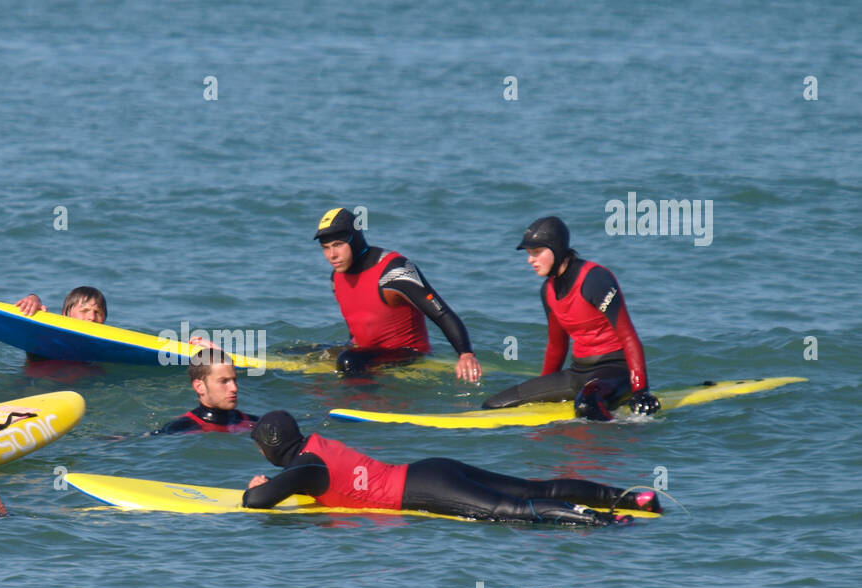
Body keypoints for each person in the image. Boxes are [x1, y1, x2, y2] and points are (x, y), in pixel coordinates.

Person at [242, 411, 660, 526]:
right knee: (533, 487)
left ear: (271, 448)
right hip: (431, 469)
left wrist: (259, 487)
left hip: (420, 490)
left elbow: (259, 501)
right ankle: (628, 496)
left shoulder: (307, 467)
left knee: (508, 512)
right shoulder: (316, 447)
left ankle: (605, 520)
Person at [483, 217, 660, 419]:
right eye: (529, 254)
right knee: (494, 404)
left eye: (536, 253)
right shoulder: (548, 290)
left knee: (586, 406)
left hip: (615, 373)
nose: (530, 260)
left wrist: (640, 390)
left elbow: (628, 336)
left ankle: (614, 440)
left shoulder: (595, 280)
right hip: (578, 374)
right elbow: (557, 346)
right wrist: (544, 391)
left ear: (556, 249)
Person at [314, 207, 482, 380]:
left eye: (338, 245)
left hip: (405, 355)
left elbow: (441, 313)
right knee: (301, 352)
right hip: (365, 353)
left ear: (355, 240)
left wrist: (466, 354)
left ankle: (361, 401)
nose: (331, 255)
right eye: (325, 248)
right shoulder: (337, 277)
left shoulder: (395, 270)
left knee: (348, 361)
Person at [155, 346, 259, 434]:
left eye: (234, 380)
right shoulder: (179, 429)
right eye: (224, 381)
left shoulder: (253, 422)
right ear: (200, 387)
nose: (234, 388)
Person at [14, 286, 107, 324]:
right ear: (65, 314)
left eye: (98, 312)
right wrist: (33, 298)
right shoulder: (49, 338)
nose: (92, 317)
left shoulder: (107, 348)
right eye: (84, 310)